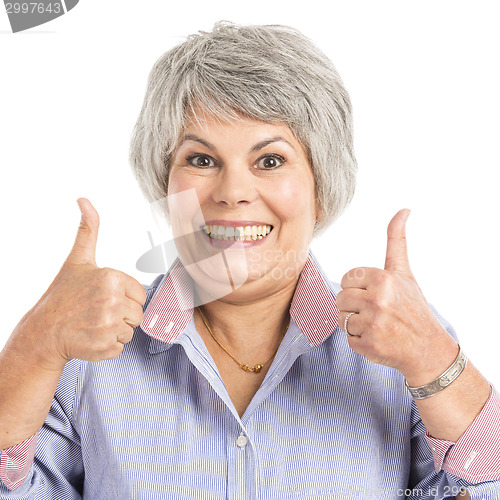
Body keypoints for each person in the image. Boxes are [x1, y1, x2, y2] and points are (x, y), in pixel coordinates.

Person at [0, 21, 499, 500]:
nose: (234, 192)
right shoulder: (79, 359)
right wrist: (31, 349)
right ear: (164, 186)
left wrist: (436, 360)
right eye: (200, 159)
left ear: (321, 188)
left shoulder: (408, 352)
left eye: (270, 160)